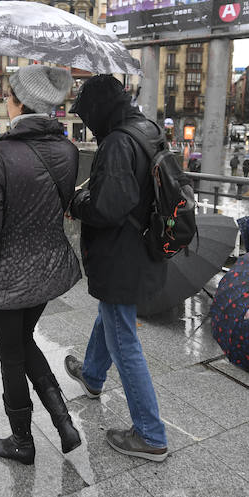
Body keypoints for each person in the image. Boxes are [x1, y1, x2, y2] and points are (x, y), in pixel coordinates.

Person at [0, 65, 82, 466]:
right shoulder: (68, 150)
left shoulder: (0, 155)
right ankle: (64, 423)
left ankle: (22, 442)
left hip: (9, 278)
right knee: (22, 342)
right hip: (48, 271)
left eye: (7, 96)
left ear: (19, 102)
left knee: (10, 355)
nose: (4, 102)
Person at [63, 74, 169, 463]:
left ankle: (150, 434)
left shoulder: (118, 142)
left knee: (124, 339)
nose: (87, 124)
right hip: (141, 247)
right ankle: (91, 375)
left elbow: (108, 207)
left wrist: (77, 203)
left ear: (100, 110)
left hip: (120, 252)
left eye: (87, 115)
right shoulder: (147, 128)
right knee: (111, 313)